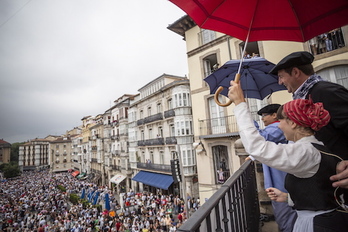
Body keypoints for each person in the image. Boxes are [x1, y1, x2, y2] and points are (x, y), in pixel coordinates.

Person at [228, 80, 348, 232]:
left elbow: (257, 148)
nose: (278, 125)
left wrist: (239, 104)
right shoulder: (318, 147)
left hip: (316, 225)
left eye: (282, 120)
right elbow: (320, 191)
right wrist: (287, 198)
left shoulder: (306, 152)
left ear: (293, 123)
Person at [254, 104, 297, 232]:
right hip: (279, 182)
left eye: (264, 115)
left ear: (274, 115)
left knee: (286, 218)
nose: (262, 119)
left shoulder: (277, 129)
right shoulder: (276, 128)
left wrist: (248, 121)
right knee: (282, 217)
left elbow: (259, 139)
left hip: (282, 182)